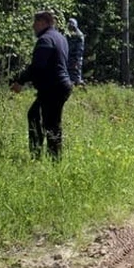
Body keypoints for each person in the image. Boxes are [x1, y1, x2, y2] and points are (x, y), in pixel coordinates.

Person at [11, 11, 73, 159]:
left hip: (53, 87)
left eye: (35, 23)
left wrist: (20, 81)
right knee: (36, 116)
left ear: (43, 22)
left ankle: (49, 158)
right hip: (60, 85)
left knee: (50, 123)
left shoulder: (45, 40)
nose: (33, 26)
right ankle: (42, 155)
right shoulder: (60, 38)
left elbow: (37, 66)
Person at [66, 17, 85, 86]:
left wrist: (76, 60)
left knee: (76, 75)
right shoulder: (68, 34)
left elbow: (80, 50)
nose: (70, 27)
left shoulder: (79, 35)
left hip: (76, 58)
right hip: (68, 58)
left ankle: (81, 88)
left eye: (72, 26)